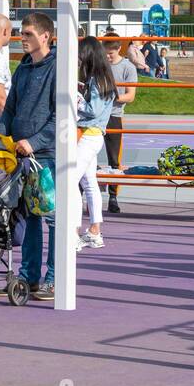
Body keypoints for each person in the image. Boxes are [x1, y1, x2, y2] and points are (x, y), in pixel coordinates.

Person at [0, 12, 57, 301]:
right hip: (21, 155)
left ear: (45, 36)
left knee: (52, 216)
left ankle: (55, 278)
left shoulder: (58, 68)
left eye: (29, 33)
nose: (23, 38)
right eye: (22, 33)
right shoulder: (23, 68)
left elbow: (61, 117)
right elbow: (10, 109)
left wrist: (33, 141)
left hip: (46, 155)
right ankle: (29, 275)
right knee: (30, 216)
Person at [74, 36, 117, 251]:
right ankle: (94, 230)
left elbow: (93, 110)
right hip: (92, 134)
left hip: (90, 134)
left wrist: (76, 98)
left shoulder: (98, 80)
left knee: (70, 180)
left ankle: (73, 232)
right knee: (89, 182)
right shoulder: (100, 78)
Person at [102, 36, 139, 215]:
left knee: (114, 159)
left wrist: (113, 97)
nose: (107, 57)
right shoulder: (100, 65)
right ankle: (85, 192)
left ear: (118, 50)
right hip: (95, 115)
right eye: (105, 53)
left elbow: (130, 96)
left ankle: (113, 197)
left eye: (110, 54)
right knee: (87, 156)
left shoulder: (127, 67)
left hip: (114, 116)